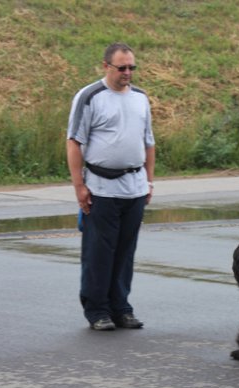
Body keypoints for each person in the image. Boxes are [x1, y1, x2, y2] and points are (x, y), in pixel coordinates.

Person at [66, 42, 156, 331]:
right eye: (122, 67)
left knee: (125, 252)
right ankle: (97, 311)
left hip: (134, 188)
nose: (127, 72)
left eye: (132, 67)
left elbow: (149, 143)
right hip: (101, 189)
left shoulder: (141, 98)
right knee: (98, 253)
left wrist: (149, 181)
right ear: (106, 66)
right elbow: (74, 142)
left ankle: (121, 308)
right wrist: (79, 186)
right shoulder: (91, 97)